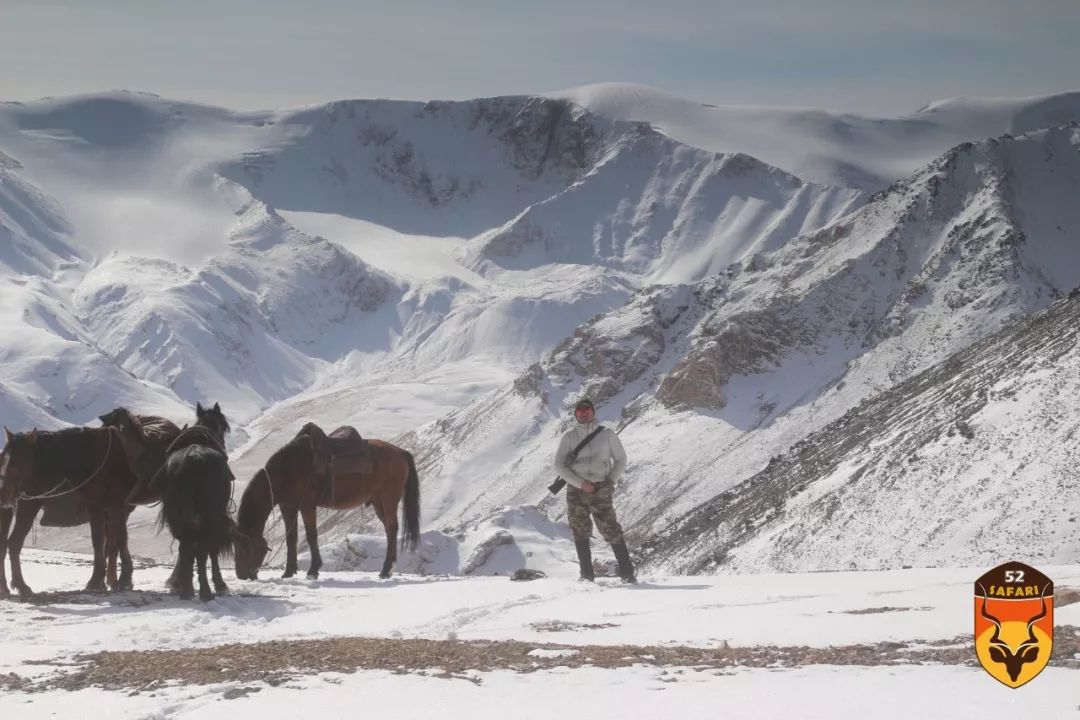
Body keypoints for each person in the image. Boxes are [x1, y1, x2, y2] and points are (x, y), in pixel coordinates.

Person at [554, 398, 636, 583]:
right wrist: (580, 483)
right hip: (576, 489)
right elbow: (559, 465)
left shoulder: (607, 434)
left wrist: (610, 482)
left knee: (611, 529)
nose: (584, 413)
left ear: (594, 411)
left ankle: (628, 574)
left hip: (601, 488)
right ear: (575, 414)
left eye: (587, 410)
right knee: (580, 530)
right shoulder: (569, 436)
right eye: (580, 410)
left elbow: (621, 460)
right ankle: (586, 575)